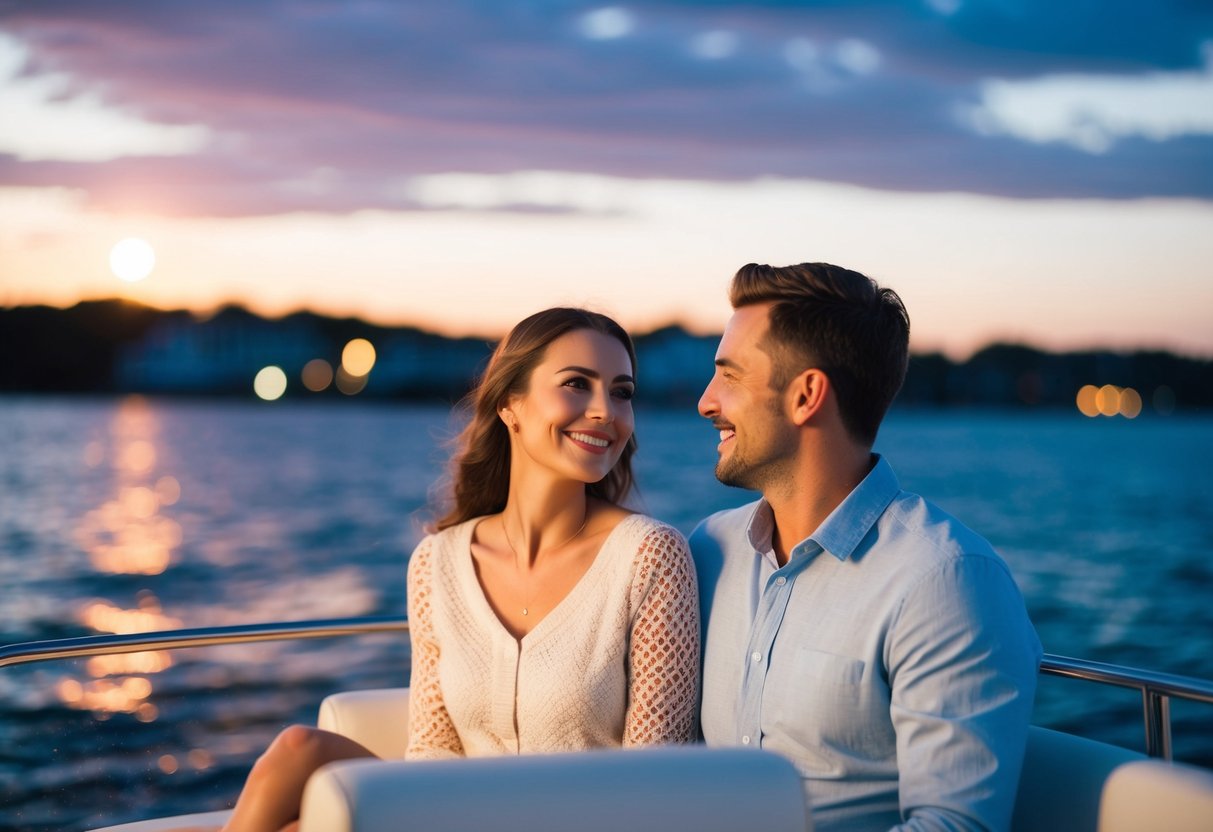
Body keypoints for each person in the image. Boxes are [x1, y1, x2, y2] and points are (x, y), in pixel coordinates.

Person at [220, 307, 700, 832]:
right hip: (454, 814)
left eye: (622, 391)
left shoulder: (650, 555)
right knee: (298, 749)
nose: (606, 410)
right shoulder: (438, 562)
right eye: (577, 385)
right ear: (509, 405)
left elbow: (656, 779)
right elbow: (432, 749)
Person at [692, 262, 1041, 832]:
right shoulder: (709, 550)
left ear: (807, 395)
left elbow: (954, 826)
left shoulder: (945, 580)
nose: (707, 402)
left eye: (729, 376)